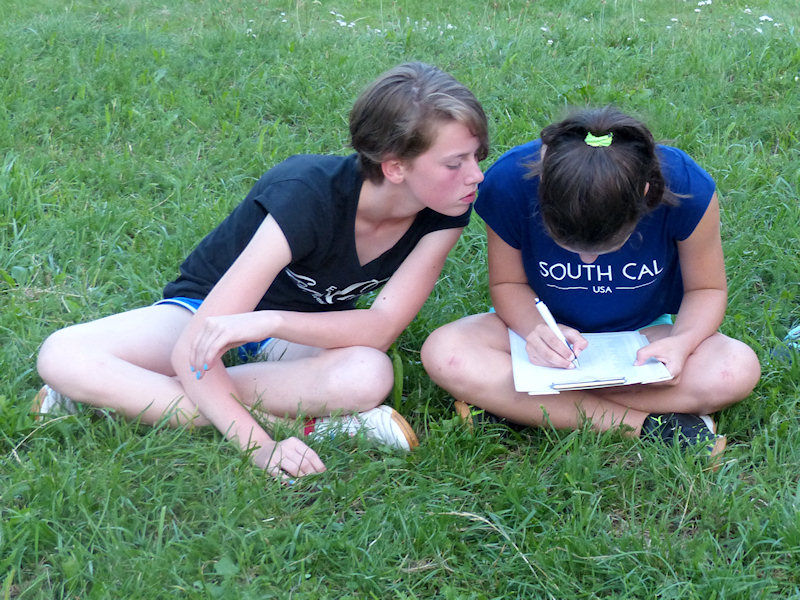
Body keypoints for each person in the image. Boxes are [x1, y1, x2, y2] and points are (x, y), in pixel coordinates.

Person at [34, 62, 488, 479]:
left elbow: (380, 327)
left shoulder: (446, 209)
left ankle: (129, 396)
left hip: (291, 335)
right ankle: (302, 424)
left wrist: (270, 322)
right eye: (455, 163)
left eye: (476, 156)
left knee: (369, 372)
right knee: (62, 354)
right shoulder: (307, 193)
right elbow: (196, 343)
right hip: (200, 310)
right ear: (394, 167)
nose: (476, 175)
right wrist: (260, 445)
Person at [421, 106, 760, 459]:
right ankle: (648, 427)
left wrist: (683, 343)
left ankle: (522, 407)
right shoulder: (510, 181)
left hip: (643, 338)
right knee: (446, 353)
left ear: (647, 193)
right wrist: (536, 330)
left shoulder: (687, 186)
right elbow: (508, 284)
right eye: (572, 246)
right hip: (539, 337)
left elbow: (706, 289)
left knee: (734, 369)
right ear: (541, 191)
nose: (588, 261)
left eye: (605, 246)